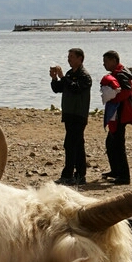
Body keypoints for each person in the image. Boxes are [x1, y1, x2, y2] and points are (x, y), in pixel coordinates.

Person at [48, 49, 92, 185]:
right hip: (69, 114)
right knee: (77, 145)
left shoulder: (84, 75)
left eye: (71, 57)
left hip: (78, 115)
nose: (69, 59)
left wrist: (62, 77)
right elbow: (58, 88)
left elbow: (75, 88)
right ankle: (79, 175)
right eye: (68, 57)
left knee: (71, 144)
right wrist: (54, 78)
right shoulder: (69, 74)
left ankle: (68, 175)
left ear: (80, 59)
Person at [99, 50, 132, 184]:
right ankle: (116, 171)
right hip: (119, 113)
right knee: (111, 143)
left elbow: (126, 91)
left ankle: (124, 176)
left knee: (117, 144)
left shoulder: (121, 74)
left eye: (106, 61)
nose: (104, 64)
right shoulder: (120, 72)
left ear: (113, 60)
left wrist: (114, 98)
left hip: (121, 113)